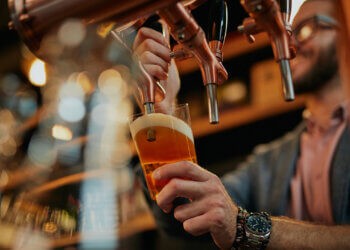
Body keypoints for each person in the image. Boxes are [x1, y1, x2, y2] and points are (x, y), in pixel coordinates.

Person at [132, 0, 350, 249]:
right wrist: (164, 110)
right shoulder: (269, 162)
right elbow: (186, 217)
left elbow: (234, 222)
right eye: (289, 31)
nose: (291, 42)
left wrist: (243, 226)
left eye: (308, 28)